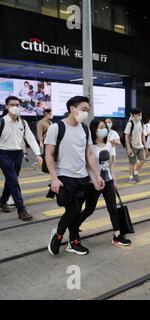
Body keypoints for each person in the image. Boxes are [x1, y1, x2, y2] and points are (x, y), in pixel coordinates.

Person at [46, 96, 105, 256]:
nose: (86, 113)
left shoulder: (84, 129)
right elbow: (49, 154)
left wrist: (96, 175)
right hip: (64, 176)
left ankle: (74, 242)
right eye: (84, 109)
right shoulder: (56, 127)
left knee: (76, 211)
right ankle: (58, 235)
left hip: (82, 177)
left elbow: (90, 154)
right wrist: (54, 178)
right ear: (73, 109)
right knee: (73, 210)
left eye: (88, 110)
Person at [77, 119, 131, 247]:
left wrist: (114, 180)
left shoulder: (108, 144)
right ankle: (74, 226)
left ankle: (117, 235)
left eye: (105, 127)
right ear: (94, 129)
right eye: (101, 127)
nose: (104, 130)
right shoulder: (89, 146)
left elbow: (111, 164)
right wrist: (95, 180)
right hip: (93, 183)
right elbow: (87, 166)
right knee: (89, 209)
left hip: (107, 181)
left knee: (112, 208)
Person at [0, 96, 42, 221]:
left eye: (17, 105)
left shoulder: (23, 123)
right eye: (12, 104)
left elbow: (30, 138)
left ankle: (2, 201)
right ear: (6, 106)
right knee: (13, 180)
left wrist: (38, 154)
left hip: (18, 154)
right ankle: (21, 209)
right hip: (3, 154)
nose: (15, 107)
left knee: (11, 180)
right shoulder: (2, 121)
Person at [125, 108, 147, 184]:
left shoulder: (141, 122)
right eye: (138, 115)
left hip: (140, 145)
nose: (140, 116)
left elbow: (142, 134)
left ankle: (135, 172)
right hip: (132, 146)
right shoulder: (130, 123)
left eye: (141, 114)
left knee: (143, 160)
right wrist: (128, 148)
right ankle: (131, 177)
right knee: (132, 162)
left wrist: (145, 145)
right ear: (134, 115)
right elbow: (126, 136)